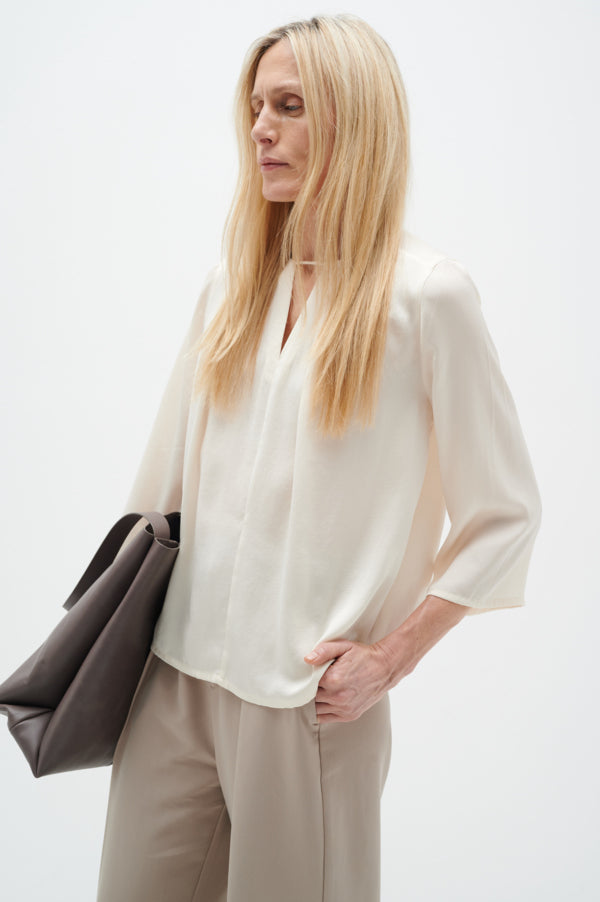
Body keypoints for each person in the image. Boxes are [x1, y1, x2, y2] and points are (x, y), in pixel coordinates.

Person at [95, 13, 542, 902]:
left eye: (290, 106)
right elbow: (162, 490)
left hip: (305, 704)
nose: (260, 128)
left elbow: (505, 514)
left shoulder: (428, 299)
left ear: (354, 118)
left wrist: (392, 657)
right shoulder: (232, 286)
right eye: (257, 106)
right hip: (174, 682)